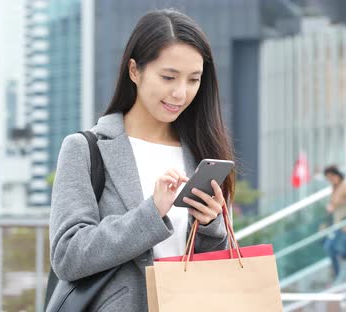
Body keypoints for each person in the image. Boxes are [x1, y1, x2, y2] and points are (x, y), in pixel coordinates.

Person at [49, 9, 235, 311]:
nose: (180, 92)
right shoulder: (85, 149)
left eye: (193, 80)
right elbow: (68, 256)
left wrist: (211, 226)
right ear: (134, 70)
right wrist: (151, 213)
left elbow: (212, 270)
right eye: (168, 77)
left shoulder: (203, 153)